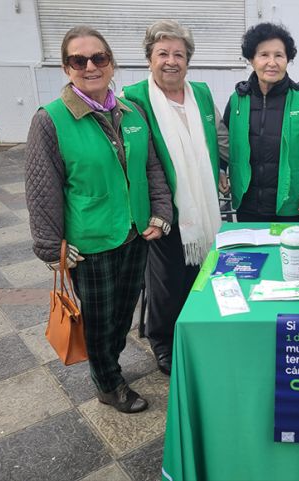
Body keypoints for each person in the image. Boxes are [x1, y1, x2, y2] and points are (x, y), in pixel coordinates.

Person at [25, 26, 173, 413]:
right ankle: (108, 383)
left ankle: (110, 363)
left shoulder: (130, 111)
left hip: (134, 232)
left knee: (122, 313)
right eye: (79, 60)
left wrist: (161, 211)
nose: (90, 66)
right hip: (89, 242)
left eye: (99, 58)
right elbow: (42, 187)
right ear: (66, 67)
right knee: (99, 319)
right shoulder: (51, 120)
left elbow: (151, 166)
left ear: (111, 63)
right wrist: (48, 244)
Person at [123, 20, 226, 376]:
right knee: (167, 282)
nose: (171, 61)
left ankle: (196, 331)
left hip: (205, 204)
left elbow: (217, 140)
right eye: (162, 53)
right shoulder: (135, 98)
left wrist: (224, 171)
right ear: (149, 58)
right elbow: (138, 158)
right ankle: (163, 342)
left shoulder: (201, 93)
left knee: (201, 274)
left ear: (189, 59)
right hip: (164, 210)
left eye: (179, 54)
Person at [223, 22, 299, 222]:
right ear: (251, 59)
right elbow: (223, 141)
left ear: (288, 59)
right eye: (264, 55)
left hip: (293, 206)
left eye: (279, 55)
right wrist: (220, 170)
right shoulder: (238, 100)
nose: (272, 62)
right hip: (248, 206)